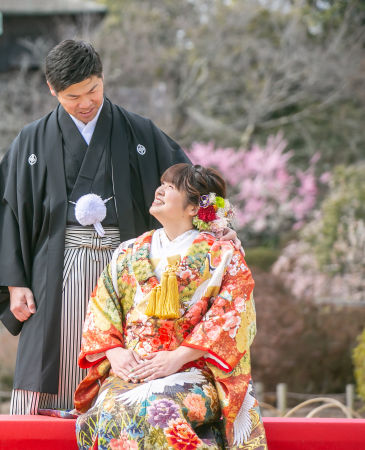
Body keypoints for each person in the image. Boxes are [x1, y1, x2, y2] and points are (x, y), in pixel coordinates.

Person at [0, 40, 239, 414]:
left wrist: (219, 220)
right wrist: (16, 283)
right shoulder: (31, 140)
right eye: (72, 95)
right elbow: (9, 210)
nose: (85, 102)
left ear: (103, 78)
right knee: (51, 358)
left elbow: (191, 182)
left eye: (93, 89)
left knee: (129, 364)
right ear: (52, 90)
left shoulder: (139, 132)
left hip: (130, 268)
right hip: (57, 267)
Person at [74, 164, 267, 450]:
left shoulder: (224, 254)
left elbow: (232, 316)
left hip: (194, 371)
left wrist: (178, 357)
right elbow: (102, 306)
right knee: (108, 411)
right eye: (161, 183)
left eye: (171, 187)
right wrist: (115, 353)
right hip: (133, 368)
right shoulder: (129, 251)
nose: (160, 190)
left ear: (193, 208)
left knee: (156, 408)